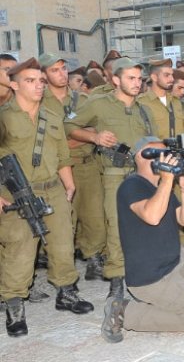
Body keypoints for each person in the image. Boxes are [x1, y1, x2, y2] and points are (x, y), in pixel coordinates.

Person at [0, 58, 94, 337]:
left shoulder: (52, 115)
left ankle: (66, 293)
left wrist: (69, 185)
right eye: (30, 80)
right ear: (14, 85)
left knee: (63, 243)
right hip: (16, 192)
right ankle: (15, 304)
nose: (39, 85)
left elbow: (63, 155)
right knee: (19, 250)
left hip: (53, 188)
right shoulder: (3, 117)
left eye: (40, 80)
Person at [102, 136, 184, 343]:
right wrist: (167, 181)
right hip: (150, 275)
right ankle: (123, 311)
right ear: (141, 156)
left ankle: (171, 300)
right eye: (157, 153)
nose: (165, 157)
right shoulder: (130, 186)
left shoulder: (162, 187)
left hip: (172, 261)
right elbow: (151, 216)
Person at [65, 57, 159, 300]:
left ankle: (144, 276)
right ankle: (117, 281)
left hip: (143, 175)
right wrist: (94, 137)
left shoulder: (144, 110)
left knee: (146, 225)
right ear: (116, 80)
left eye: (139, 78)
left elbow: (152, 140)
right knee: (117, 227)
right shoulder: (99, 104)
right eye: (131, 78)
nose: (137, 83)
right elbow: (69, 125)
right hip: (114, 176)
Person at [39, 53, 105, 282]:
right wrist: (85, 136)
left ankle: (94, 258)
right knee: (64, 223)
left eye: (63, 68)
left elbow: (99, 131)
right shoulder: (39, 102)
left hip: (87, 166)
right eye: (54, 70)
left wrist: (80, 138)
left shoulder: (82, 100)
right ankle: (63, 272)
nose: (62, 74)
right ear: (44, 75)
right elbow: (48, 142)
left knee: (95, 216)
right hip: (57, 170)